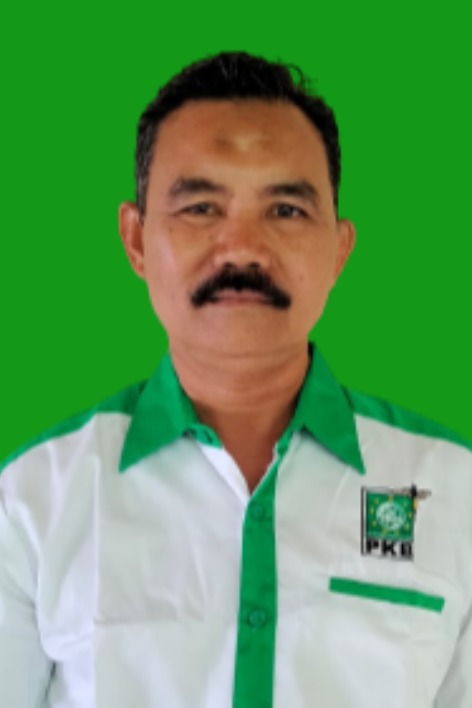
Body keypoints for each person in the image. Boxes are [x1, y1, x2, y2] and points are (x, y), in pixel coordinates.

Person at [0, 51, 471, 708]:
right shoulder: (31, 501)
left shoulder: (454, 492)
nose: (243, 248)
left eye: (286, 210)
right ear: (136, 240)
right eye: (200, 207)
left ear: (338, 248)